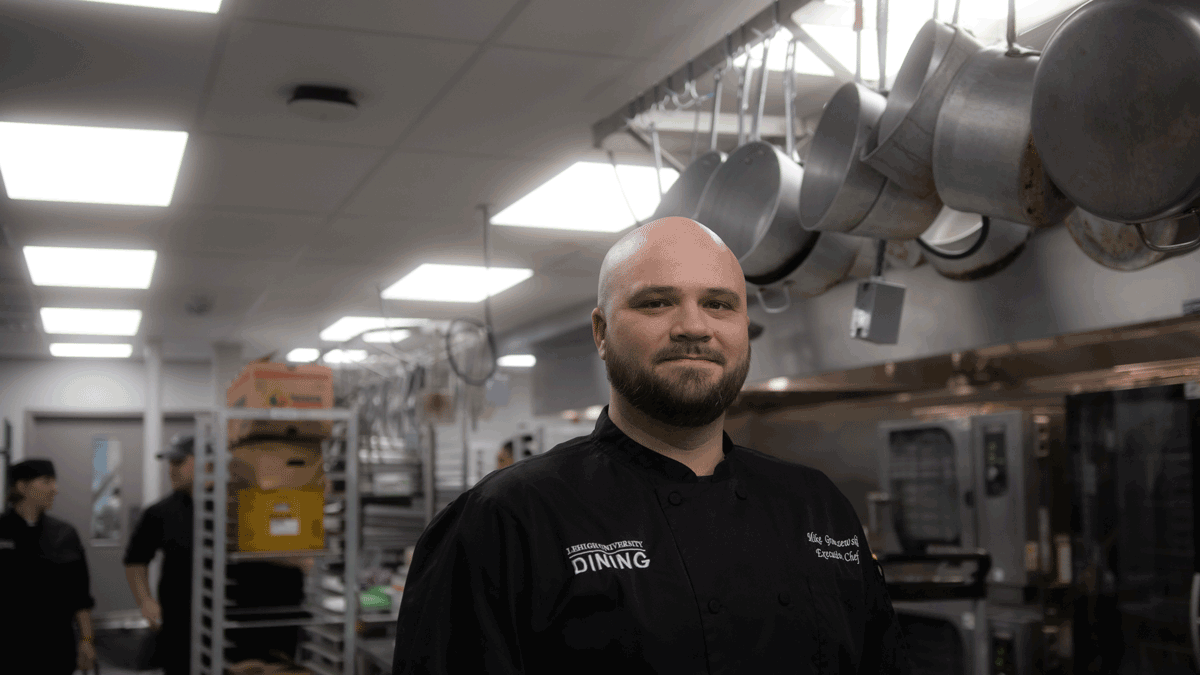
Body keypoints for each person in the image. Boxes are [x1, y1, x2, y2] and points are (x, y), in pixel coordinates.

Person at [392, 217, 912, 673]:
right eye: (657, 302)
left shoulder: (817, 506)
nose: (693, 327)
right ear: (601, 332)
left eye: (719, 304)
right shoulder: (505, 519)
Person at [0, 459, 97, 675]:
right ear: (22, 487)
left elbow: (80, 594)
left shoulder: (64, 534)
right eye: (46, 482)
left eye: (55, 482)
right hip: (8, 650)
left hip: (56, 647)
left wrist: (87, 640)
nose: (56, 489)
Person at [124, 433, 198, 675]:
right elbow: (135, 561)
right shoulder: (159, 513)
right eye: (170, 464)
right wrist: (145, 600)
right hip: (178, 626)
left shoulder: (233, 507)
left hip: (225, 621)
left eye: (178, 463)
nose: (171, 470)